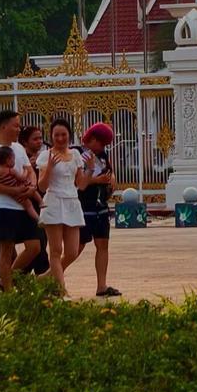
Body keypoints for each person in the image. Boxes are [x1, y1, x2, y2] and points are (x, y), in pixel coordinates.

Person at [0, 110, 42, 291]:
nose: (18, 129)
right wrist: (13, 190)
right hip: (4, 207)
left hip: (24, 207)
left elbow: (29, 170)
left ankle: (4, 280)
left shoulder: (19, 148)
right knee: (6, 250)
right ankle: (8, 292)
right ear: (4, 126)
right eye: (15, 125)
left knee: (34, 247)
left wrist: (32, 186)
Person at [38, 118, 88, 294]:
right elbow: (42, 186)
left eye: (64, 134)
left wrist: (89, 169)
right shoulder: (46, 156)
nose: (60, 138)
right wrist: (49, 168)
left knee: (73, 251)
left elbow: (81, 184)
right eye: (56, 135)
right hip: (53, 201)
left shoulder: (75, 155)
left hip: (72, 202)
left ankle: (46, 277)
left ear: (69, 135)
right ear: (51, 136)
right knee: (56, 250)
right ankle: (61, 290)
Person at [77, 122, 120, 298]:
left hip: (100, 206)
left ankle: (101, 285)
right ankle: (52, 276)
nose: (103, 148)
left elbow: (108, 172)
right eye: (101, 143)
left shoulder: (102, 155)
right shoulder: (78, 154)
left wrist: (111, 180)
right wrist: (98, 180)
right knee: (76, 248)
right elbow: (78, 183)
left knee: (102, 245)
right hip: (84, 206)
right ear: (92, 139)